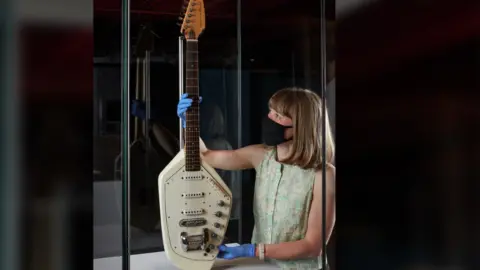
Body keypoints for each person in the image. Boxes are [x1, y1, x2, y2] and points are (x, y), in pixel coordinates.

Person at [177, 87, 336, 270]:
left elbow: (313, 246)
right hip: (259, 267)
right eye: (271, 111)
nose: (269, 118)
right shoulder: (261, 155)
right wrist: (188, 124)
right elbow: (205, 156)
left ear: (302, 125)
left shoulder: (323, 175)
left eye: (278, 115)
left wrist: (253, 251)